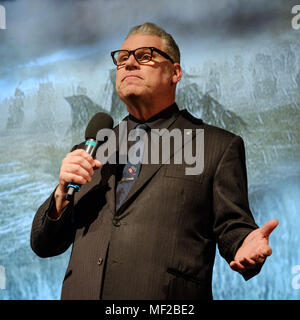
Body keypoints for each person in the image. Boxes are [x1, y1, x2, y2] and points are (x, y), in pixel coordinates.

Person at [30, 22, 278, 300]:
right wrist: (61, 194)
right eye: (122, 58)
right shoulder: (91, 149)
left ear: (175, 72)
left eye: (144, 56)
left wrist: (245, 244)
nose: (130, 64)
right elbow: (44, 244)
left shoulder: (218, 147)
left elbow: (233, 227)